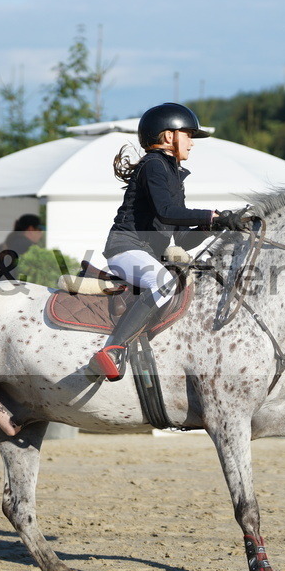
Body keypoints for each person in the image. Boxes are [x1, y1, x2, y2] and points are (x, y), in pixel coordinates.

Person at [86, 102, 242, 381]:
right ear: (169, 136)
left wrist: (217, 226)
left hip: (143, 251)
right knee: (163, 282)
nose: (192, 143)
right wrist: (211, 215)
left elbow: (181, 236)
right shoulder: (154, 165)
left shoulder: (172, 173)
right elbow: (167, 212)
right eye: (188, 135)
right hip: (126, 248)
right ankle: (112, 349)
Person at [0, 213, 45, 283]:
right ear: (31, 229)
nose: (41, 233)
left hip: (3, 288)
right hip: (21, 290)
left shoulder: (3, 246)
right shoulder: (29, 248)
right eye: (40, 229)